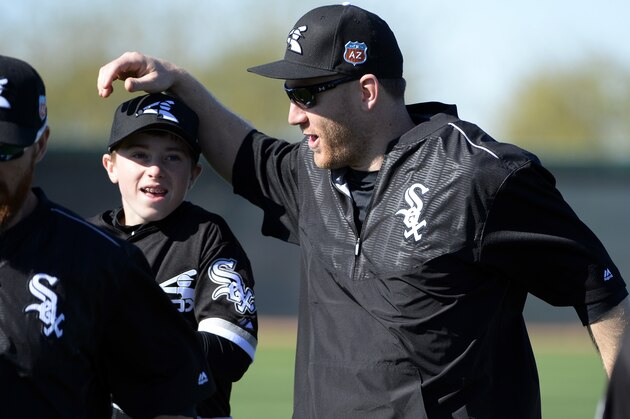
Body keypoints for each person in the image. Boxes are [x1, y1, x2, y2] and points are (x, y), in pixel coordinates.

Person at [96, 4, 630, 418]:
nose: (292, 113)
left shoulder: (479, 174)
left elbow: (601, 292)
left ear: (367, 90)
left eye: (305, 93)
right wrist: (178, 81)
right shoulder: (310, 176)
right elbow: (242, 153)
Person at [0, 55, 215, 418]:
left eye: (5, 151)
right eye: (140, 155)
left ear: (39, 146)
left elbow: (168, 406)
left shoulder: (101, 264)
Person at [89, 92, 258, 419]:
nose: (155, 169)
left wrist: (131, 351)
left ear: (194, 174)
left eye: (172, 157)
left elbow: (232, 349)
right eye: (139, 154)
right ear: (111, 166)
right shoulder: (84, 241)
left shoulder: (206, 236)